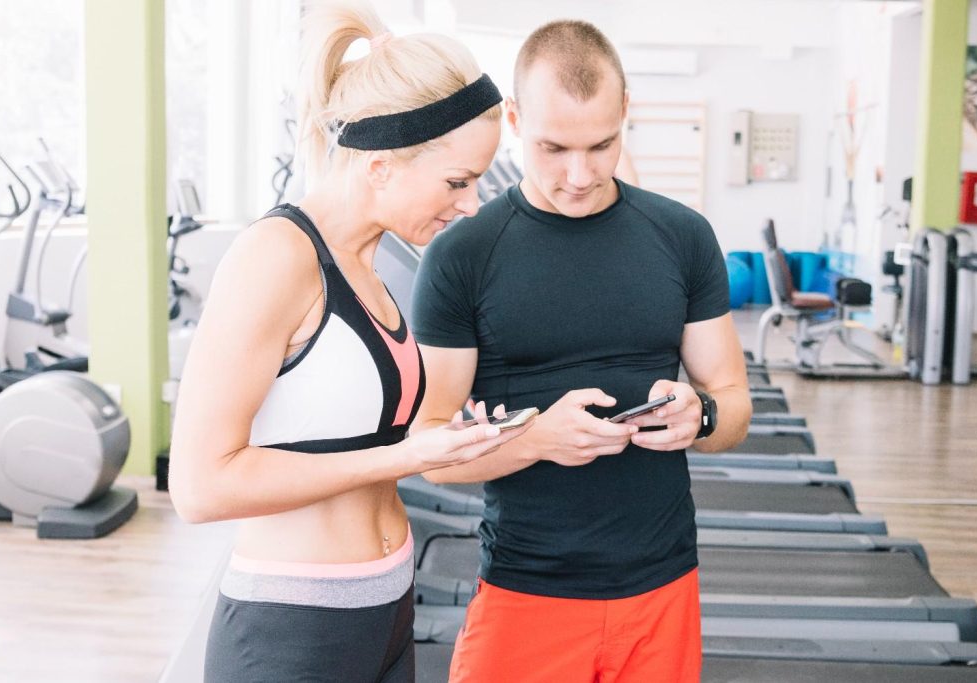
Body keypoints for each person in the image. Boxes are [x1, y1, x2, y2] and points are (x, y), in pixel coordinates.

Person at [166, 2, 528, 681]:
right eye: (457, 181)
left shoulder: (369, 264)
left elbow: (347, 429)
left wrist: (449, 438)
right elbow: (199, 485)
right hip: (294, 626)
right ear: (382, 165)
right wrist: (404, 454)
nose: (472, 203)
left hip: (385, 609)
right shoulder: (277, 256)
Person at [411, 19, 752, 683]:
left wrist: (701, 414)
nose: (579, 174)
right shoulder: (461, 255)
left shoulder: (683, 236)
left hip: (663, 586)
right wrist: (538, 439)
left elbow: (733, 405)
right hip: (525, 589)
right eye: (554, 147)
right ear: (515, 120)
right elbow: (429, 449)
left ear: (625, 111)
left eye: (601, 145)